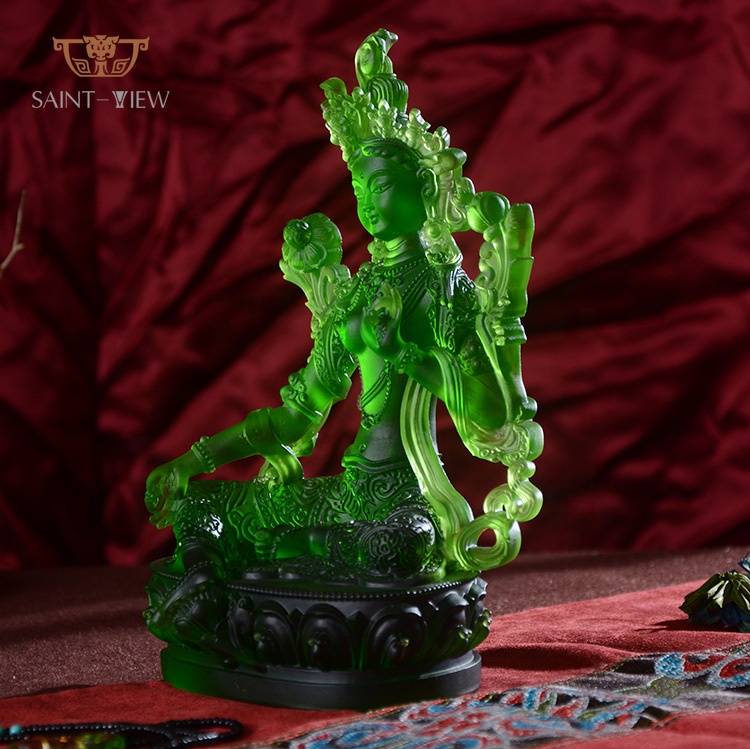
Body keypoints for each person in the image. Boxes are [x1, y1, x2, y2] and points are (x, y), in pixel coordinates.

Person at [145, 29, 542, 592]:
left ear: (422, 187)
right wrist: (195, 459)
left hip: (407, 502)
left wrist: (407, 354)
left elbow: (493, 413)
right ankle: (223, 577)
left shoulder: (443, 288)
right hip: (348, 493)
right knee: (200, 507)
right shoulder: (357, 294)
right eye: (358, 189)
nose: (367, 203)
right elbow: (297, 414)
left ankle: (279, 561)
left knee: (396, 550)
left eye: (380, 186)